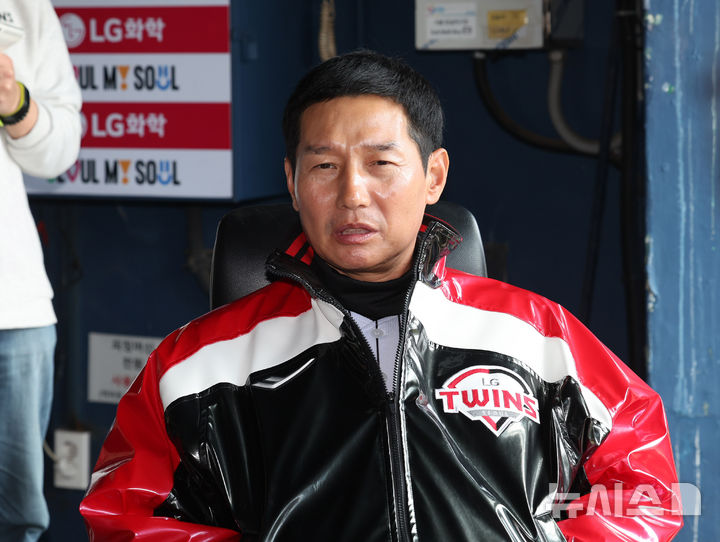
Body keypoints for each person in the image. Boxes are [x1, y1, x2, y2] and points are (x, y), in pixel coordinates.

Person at [80, 51, 682, 541]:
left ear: (434, 176)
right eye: (324, 167)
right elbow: (129, 518)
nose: (352, 194)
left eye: (381, 163)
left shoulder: (535, 337)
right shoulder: (196, 365)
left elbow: (644, 487)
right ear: (292, 182)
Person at [0, 1, 82, 541]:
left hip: (10, 305)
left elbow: (60, 149)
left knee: (17, 519)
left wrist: (14, 102)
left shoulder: (24, 9)